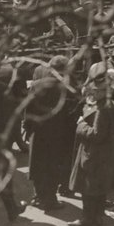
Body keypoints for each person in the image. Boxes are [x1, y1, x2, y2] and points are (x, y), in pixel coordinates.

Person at [68, 62, 114, 226]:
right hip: (104, 154)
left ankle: (87, 218)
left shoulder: (102, 109)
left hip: (94, 153)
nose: (92, 92)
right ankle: (97, 216)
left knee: (88, 187)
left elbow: (96, 135)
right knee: (98, 186)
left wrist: (81, 124)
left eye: (95, 90)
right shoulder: (110, 104)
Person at [24, 56, 74, 211]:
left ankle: (38, 196)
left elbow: (28, 109)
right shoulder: (66, 87)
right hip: (57, 133)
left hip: (38, 132)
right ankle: (50, 200)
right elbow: (69, 114)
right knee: (53, 166)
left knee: (37, 164)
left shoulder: (36, 85)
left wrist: (28, 128)